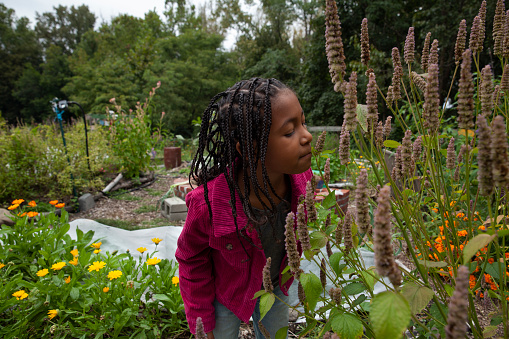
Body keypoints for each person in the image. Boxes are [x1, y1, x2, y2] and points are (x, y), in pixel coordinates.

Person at [176, 77, 313, 339]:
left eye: (303, 122)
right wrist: (201, 319)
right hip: (227, 292)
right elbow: (191, 258)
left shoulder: (303, 183)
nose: (306, 136)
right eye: (289, 132)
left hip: (275, 288)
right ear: (249, 149)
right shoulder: (207, 204)